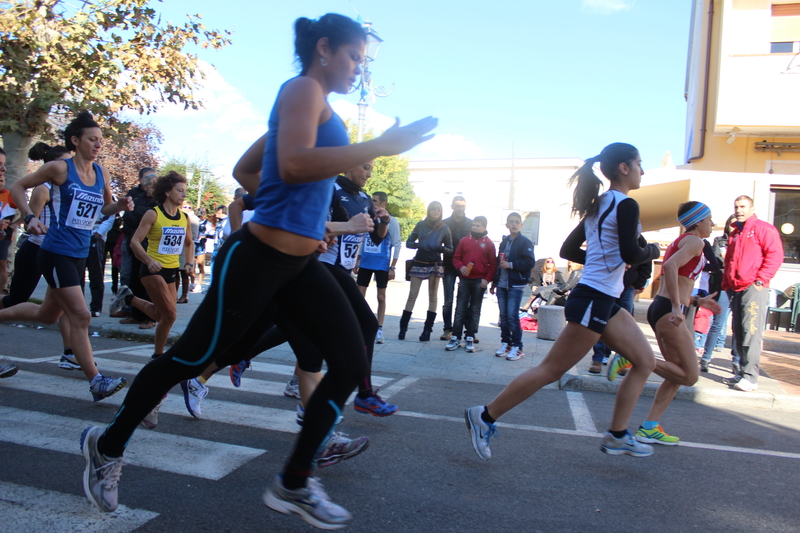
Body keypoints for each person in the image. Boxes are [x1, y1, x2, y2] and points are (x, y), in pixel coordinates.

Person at [79, 13, 436, 530]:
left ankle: (293, 480)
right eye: (354, 56)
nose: (359, 68)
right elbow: (288, 166)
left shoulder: (321, 111)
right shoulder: (301, 91)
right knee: (191, 357)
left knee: (353, 349)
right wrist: (379, 146)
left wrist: (300, 214)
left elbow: (251, 172)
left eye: (363, 59)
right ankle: (107, 446)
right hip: (258, 259)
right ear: (323, 49)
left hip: (299, 265)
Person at [466, 142, 660, 461]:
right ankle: (483, 416)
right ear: (624, 167)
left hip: (602, 299)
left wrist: (603, 261)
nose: (642, 170)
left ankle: (617, 435)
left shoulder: (599, 205)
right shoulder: (625, 205)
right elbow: (632, 253)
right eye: (639, 163)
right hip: (594, 300)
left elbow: (570, 250)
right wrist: (651, 250)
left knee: (645, 361)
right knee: (550, 370)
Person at [2, 111, 133, 401]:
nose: (98, 145)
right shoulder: (59, 169)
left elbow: (105, 209)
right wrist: (30, 217)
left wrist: (121, 205)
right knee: (81, 315)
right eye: (92, 139)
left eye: (100, 140)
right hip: (55, 252)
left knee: (46, 315)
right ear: (76, 140)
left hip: (78, 253)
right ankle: (96, 380)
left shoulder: (101, 173)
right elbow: (17, 186)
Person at [634, 202, 721, 445]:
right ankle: (635, 359)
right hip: (668, 310)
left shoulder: (686, 241)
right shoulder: (695, 242)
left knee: (676, 373)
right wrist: (676, 306)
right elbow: (670, 267)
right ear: (698, 221)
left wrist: (696, 300)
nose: (712, 224)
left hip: (666, 308)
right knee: (690, 376)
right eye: (710, 219)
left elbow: (681, 279)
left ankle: (650, 427)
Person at [110, 171, 193, 358]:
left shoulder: (184, 217)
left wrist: (188, 262)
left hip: (171, 270)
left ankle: (129, 299)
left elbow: (189, 243)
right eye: (179, 190)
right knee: (170, 315)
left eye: (185, 191)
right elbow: (134, 242)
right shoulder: (152, 214)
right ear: (167, 192)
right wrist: (149, 260)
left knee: (161, 316)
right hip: (151, 269)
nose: (184, 194)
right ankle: (158, 357)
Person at [722, 195, 783, 392]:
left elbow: (775, 255)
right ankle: (742, 372)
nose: (739, 210)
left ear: (752, 208)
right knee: (739, 332)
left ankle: (750, 377)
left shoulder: (764, 229)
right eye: (736, 207)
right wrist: (726, 284)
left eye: (743, 206)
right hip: (736, 287)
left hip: (754, 287)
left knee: (751, 331)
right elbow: (729, 260)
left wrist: (760, 280)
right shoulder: (735, 233)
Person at [588, 236, 652, 374]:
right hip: (607, 285)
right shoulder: (610, 235)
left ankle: (621, 359)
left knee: (625, 325)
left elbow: (646, 264)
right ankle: (598, 359)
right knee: (600, 321)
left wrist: (636, 283)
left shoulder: (639, 239)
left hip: (627, 287)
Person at [399, 201, 452, 341]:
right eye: (433, 209)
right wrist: (419, 245)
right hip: (419, 262)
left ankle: (427, 330)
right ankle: (403, 327)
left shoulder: (445, 228)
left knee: (433, 297)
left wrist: (439, 248)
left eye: (438, 209)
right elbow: (409, 242)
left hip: (434, 263)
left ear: (441, 212)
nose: (435, 211)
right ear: (429, 210)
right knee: (412, 295)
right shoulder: (420, 225)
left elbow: (450, 249)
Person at [355, 190, 402, 344]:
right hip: (366, 262)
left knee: (381, 296)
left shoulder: (392, 221)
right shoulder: (367, 217)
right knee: (359, 295)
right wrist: (358, 259)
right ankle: (359, 325)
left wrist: (392, 267)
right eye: (371, 200)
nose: (372, 203)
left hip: (382, 264)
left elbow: (396, 244)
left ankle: (379, 327)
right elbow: (362, 239)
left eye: (375, 201)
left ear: (383, 203)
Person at [445, 216, 497, 352]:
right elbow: (456, 258)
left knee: (475, 309)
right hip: (464, 280)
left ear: (484, 227)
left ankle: (470, 336)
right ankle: (455, 336)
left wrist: (487, 280)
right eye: (473, 225)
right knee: (460, 308)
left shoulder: (490, 244)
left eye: (478, 225)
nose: (475, 228)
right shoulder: (464, 241)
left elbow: (493, 264)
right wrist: (460, 266)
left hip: (479, 282)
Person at [491, 212, 536, 361]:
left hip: (516, 284)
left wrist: (511, 265)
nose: (514, 224)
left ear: (521, 225)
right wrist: (494, 282)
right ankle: (506, 343)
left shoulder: (525, 242)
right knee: (503, 317)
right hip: (502, 284)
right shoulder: (504, 242)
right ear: (507, 225)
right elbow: (498, 263)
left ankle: (518, 346)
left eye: (517, 222)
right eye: (512, 222)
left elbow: (530, 262)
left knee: (512, 316)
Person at [440, 196, 472, 341]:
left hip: (465, 266)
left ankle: (467, 331)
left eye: (463, 206)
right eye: (458, 206)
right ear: (452, 206)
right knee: (448, 299)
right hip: (448, 265)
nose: (460, 209)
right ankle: (447, 329)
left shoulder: (471, 224)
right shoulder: (444, 223)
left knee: (465, 300)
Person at [0, 148, 18, 295]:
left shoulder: (9, 195)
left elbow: (26, 210)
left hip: (4, 236)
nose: (3, 169)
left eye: (4, 164)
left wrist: (14, 224)